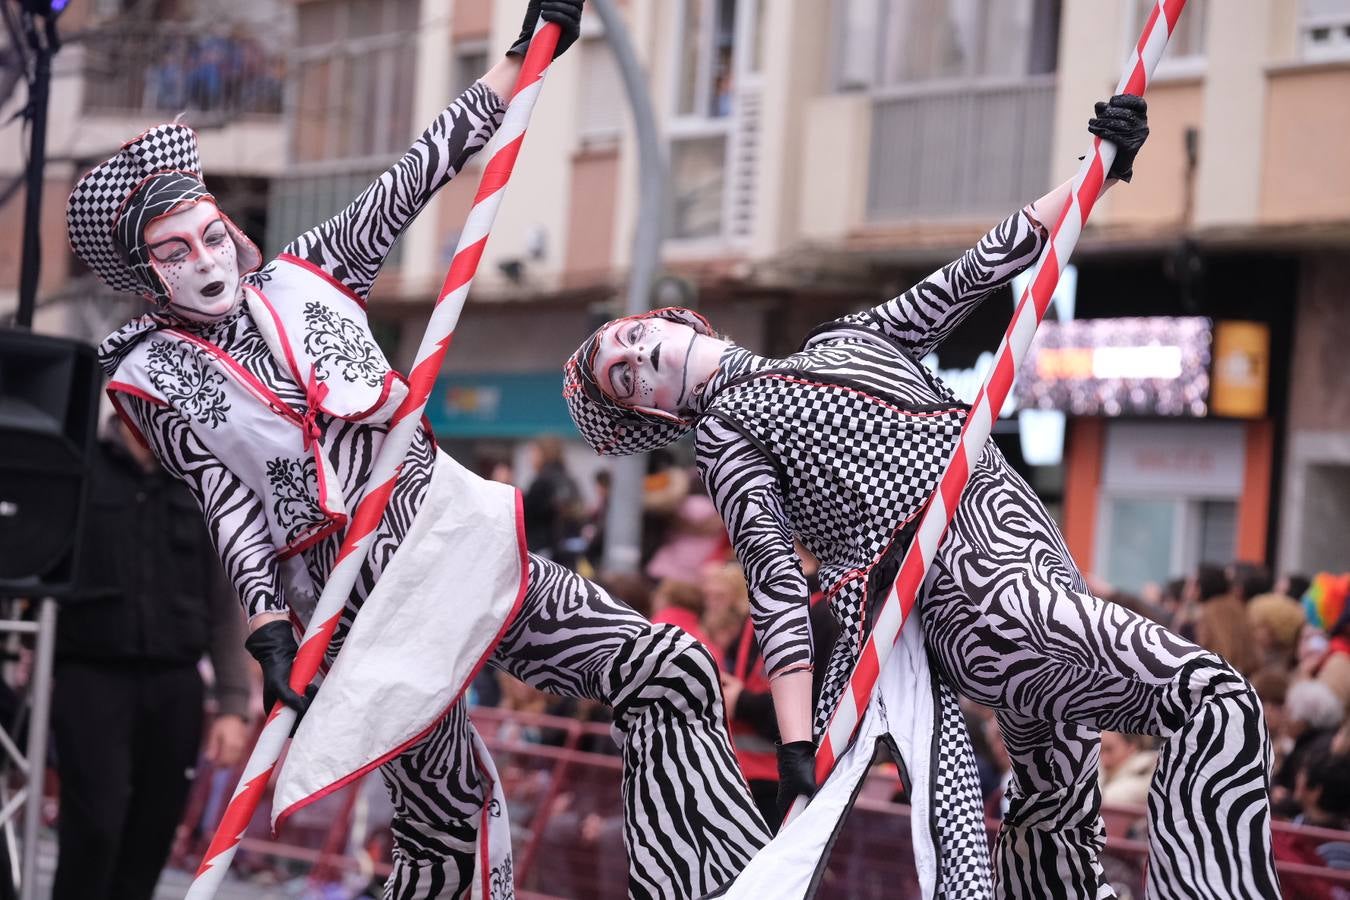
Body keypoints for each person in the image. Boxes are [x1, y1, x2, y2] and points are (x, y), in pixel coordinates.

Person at [65, 3, 768, 897]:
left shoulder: (314, 271)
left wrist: (521, 61)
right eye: (173, 251)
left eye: (210, 233)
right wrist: (269, 628)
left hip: (448, 530)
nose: (205, 258)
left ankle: (706, 881)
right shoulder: (153, 378)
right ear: (145, 274)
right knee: (446, 819)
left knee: (665, 667)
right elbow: (227, 507)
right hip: (354, 600)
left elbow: (421, 169)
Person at [564, 94, 1281, 898]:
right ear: (654, 410)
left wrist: (1097, 172)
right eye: (624, 379)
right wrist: (799, 745)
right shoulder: (727, 435)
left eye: (629, 339)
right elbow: (774, 588)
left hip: (1032, 557)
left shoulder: (844, 340)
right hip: (977, 595)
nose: (636, 360)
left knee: (1057, 812)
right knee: (1213, 698)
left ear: (673, 318)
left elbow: (972, 272)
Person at [51, 417, 252, 900]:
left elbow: (224, 603)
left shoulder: (199, 474)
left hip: (175, 683)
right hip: (91, 674)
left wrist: (232, 704)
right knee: (95, 827)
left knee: (154, 831)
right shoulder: (78, 464)